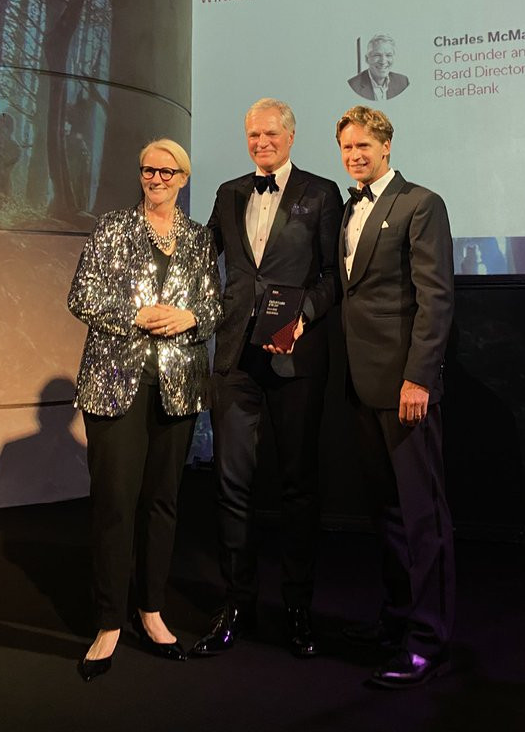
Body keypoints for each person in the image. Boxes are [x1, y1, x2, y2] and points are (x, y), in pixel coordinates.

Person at [191, 98, 343, 659]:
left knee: (298, 486)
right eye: (253, 134)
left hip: (294, 357)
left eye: (271, 134)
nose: (261, 142)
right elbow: (202, 258)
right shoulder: (229, 192)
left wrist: (303, 316)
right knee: (231, 483)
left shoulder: (320, 192)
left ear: (291, 136)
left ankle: (298, 606)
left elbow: (333, 274)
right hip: (235, 359)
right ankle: (237, 602)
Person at [68, 138, 221, 681]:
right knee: (115, 502)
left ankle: (151, 610)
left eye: (166, 171)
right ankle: (109, 621)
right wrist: (136, 315)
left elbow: (213, 305)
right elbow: (81, 296)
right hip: (114, 384)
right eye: (148, 170)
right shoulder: (111, 228)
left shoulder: (199, 239)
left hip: (177, 384)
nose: (156, 178)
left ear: (183, 178)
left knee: (162, 502)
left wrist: (190, 319)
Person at [335, 105, 455, 689]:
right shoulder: (348, 208)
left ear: (386, 146)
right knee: (385, 513)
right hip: (363, 383)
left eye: (364, 145)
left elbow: (436, 298)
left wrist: (419, 378)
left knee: (421, 514)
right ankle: (397, 618)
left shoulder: (421, 204)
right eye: (347, 148)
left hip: (405, 386)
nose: (355, 155)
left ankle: (428, 639)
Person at [348, 34, 409, 101]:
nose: (383, 61)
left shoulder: (403, 82)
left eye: (388, 55)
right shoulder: (353, 86)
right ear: (367, 59)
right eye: (377, 55)